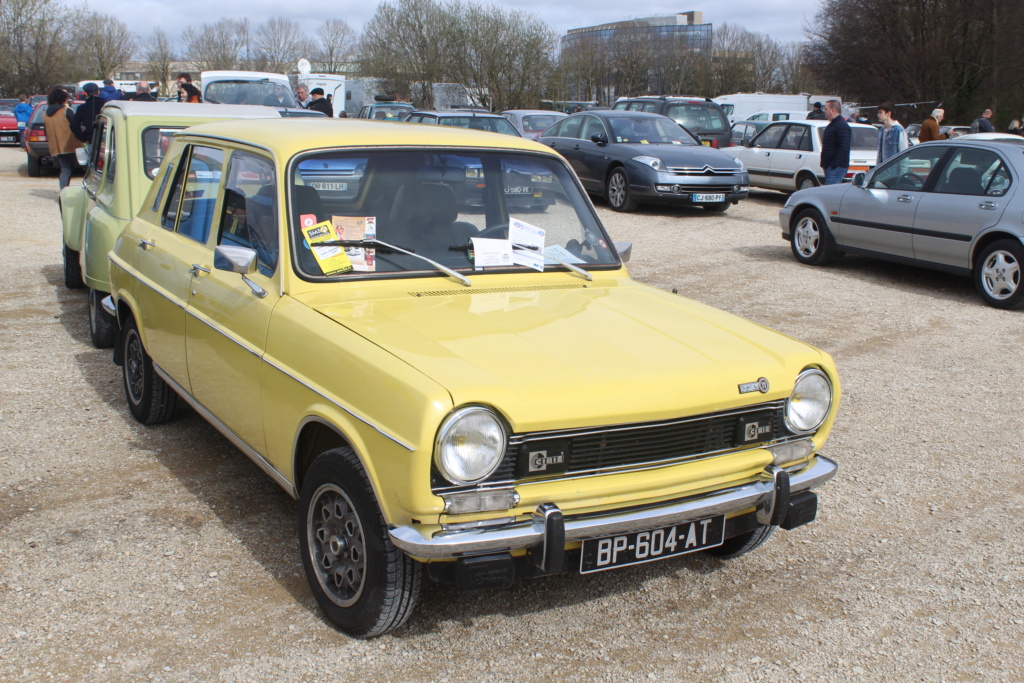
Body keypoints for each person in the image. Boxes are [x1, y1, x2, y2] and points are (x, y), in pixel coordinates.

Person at [42, 87, 83, 190]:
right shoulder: (66, 110)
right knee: (86, 167)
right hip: (72, 144)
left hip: (57, 146)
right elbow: (75, 126)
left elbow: (45, 131)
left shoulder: (45, 113)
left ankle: (63, 191)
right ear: (64, 99)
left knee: (65, 169)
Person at [820, 100, 851, 185]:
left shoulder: (842, 126)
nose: (824, 111)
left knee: (830, 193)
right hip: (829, 166)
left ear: (833, 110)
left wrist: (834, 164)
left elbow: (844, 147)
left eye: (826, 109)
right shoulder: (831, 126)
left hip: (836, 167)